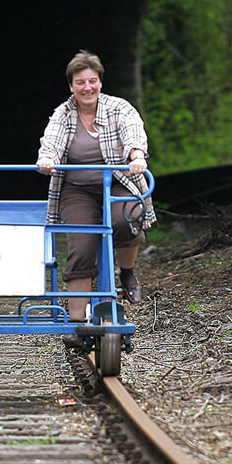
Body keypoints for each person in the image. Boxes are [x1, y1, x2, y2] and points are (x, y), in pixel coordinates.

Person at [37, 50, 155, 323]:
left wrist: (136, 155)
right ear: (71, 86)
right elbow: (51, 140)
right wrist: (47, 158)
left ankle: (126, 272)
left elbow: (133, 131)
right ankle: (76, 321)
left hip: (116, 181)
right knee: (82, 245)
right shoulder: (63, 114)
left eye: (92, 81)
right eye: (80, 82)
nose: (87, 87)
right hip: (77, 189)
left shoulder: (119, 108)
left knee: (125, 217)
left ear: (100, 82)